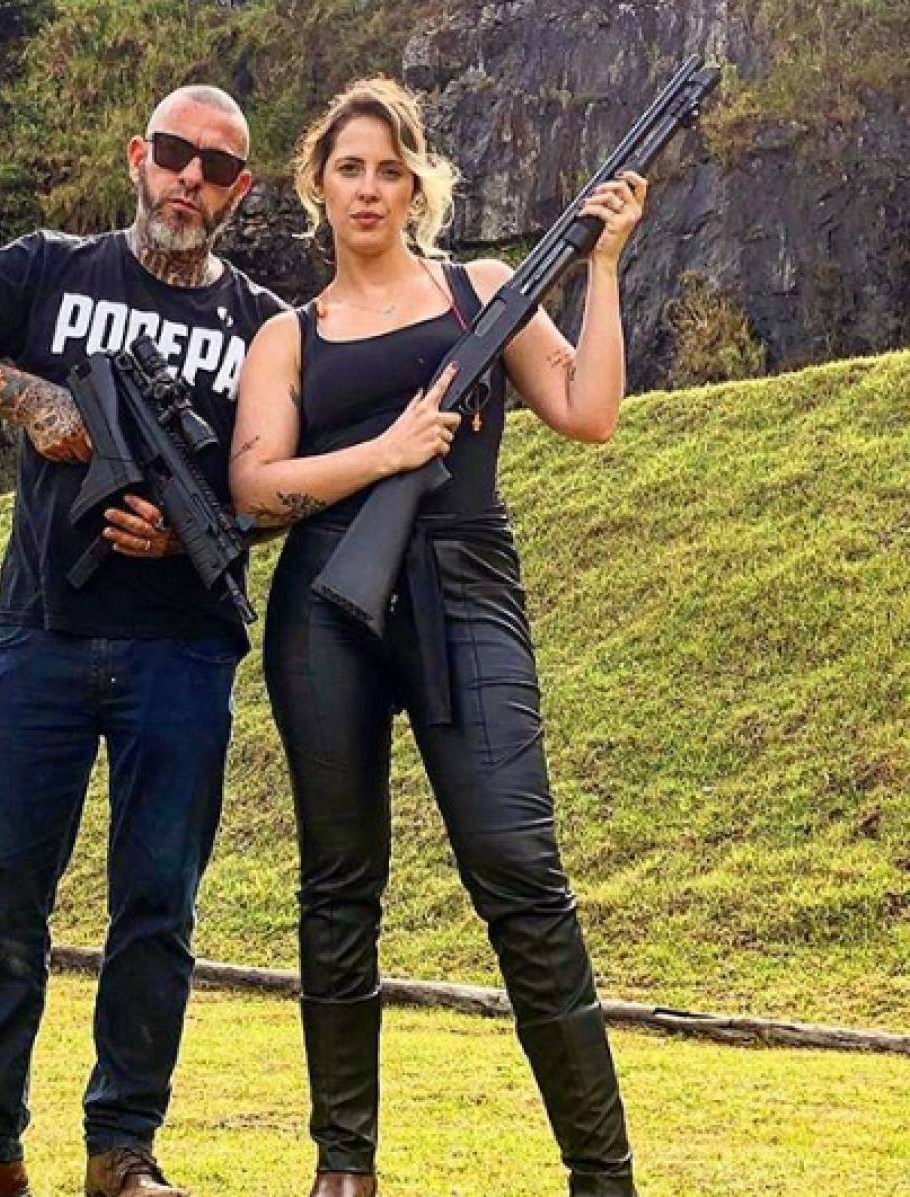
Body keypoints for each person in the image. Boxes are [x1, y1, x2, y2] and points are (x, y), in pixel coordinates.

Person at [230, 77, 645, 1197]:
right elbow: (255, 487)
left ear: (419, 185)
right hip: (328, 605)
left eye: (391, 168)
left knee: (521, 870)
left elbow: (590, 413)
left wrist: (604, 268)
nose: (370, 188)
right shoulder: (289, 336)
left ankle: (603, 1177)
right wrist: (388, 451)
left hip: (466, 587)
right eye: (349, 168)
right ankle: (344, 1168)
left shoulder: (485, 291)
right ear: (318, 187)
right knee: (338, 885)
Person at [0, 85, 285, 1197]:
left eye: (217, 167)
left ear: (240, 191)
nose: (190, 179)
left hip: (184, 647)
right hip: (39, 634)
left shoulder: (265, 326)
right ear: (137, 156)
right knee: (2, 892)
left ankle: (122, 1151)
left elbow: (293, 479)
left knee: (159, 907)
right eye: (176, 154)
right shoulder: (53, 268)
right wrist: (34, 400)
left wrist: (207, 526)